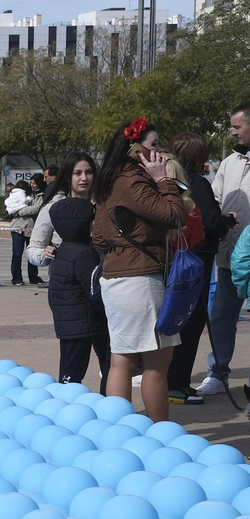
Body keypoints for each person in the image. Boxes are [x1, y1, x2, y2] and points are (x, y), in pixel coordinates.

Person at [91, 117, 187, 419]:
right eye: (154, 145)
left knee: (122, 358)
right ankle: (159, 432)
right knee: (157, 363)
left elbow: (97, 235)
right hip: (140, 278)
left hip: (118, 277)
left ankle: (118, 428)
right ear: (135, 149)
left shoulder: (111, 178)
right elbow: (174, 215)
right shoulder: (133, 179)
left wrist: (119, 252)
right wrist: (163, 180)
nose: (160, 152)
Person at [165, 133, 233, 405]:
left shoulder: (166, 181)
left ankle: (167, 379)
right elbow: (211, 223)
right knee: (190, 322)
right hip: (195, 260)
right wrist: (228, 220)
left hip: (169, 258)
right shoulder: (197, 183)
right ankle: (177, 384)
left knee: (170, 319)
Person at [200, 103, 250, 398]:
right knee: (221, 315)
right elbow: (215, 200)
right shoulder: (230, 161)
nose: (232, 131)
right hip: (230, 255)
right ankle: (218, 371)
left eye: (237, 126)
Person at [46, 192, 110, 393]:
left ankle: (65, 401)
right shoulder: (84, 254)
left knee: (69, 370)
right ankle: (106, 400)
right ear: (81, 224)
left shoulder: (63, 250)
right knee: (108, 364)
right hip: (86, 323)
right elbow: (94, 290)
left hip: (68, 323)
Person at [28, 154, 94, 289]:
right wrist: (44, 255)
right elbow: (32, 250)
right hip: (66, 285)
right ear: (68, 176)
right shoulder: (53, 208)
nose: (84, 178)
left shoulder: (104, 206)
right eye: (77, 173)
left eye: (89, 172)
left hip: (102, 282)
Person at [6, 178, 44, 286]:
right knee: (17, 253)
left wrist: (20, 212)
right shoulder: (19, 195)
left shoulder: (40, 195)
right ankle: (16, 277)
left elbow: (36, 208)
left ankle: (33, 276)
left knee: (32, 253)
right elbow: (11, 207)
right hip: (17, 226)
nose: (32, 185)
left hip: (31, 227)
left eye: (34, 183)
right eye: (31, 183)